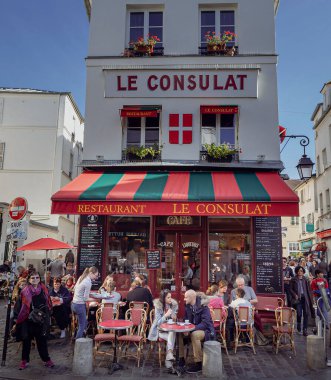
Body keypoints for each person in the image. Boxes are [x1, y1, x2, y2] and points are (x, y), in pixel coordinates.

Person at [12, 271, 54, 370]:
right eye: (33, 278)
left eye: (37, 277)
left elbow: (48, 303)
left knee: (42, 341)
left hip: (41, 320)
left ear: (40, 279)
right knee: (26, 341)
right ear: (29, 280)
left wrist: (47, 315)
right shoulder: (25, 291)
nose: (35, 280)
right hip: (27, 320)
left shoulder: (44, 289)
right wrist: (17, 319)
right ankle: (24, 360)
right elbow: (19, 307)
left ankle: (46, 360)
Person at [179, 289, 215, 373]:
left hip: (206, 331)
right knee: (179, 334)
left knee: (194, 335)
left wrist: (191, 329)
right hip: (192, 329)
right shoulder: (188, 306)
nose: (184, 299)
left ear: (192, 298)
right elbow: (186, 319)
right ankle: (181, 359)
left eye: (186, 297)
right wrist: (185, 327)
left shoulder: (204, 306)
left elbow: (205, 323)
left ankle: (198, 363)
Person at [148, 289, 178, 369]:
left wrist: (174, 318)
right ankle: (169, 358)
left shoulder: (173, 305)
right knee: (171, 336)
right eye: (168, 297)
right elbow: (158, 323)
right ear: (163, 298)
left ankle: (169, 354)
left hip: (169, 330)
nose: (170, 299)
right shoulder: (158, 306)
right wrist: (165, 315)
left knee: (172, 333)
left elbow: (174, 321)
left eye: (170, 297)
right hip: (159, 330)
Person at [71, 266, 99, 339]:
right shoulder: (88, 282)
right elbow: (85, 298)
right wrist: (96, 299)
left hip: (74, 304)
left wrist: (93, 295)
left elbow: (76, 289)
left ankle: (78, 336)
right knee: (82, 325)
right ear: (91, 273)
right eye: (95, 276)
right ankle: (78, 342)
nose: (96, 278)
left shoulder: (82, 277)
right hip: (79, 305)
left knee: (84, 322)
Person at [290, 266, 315, 336]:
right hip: (298, 299)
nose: (300, 272)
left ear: (303, 271)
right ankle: (298, 323)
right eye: (299, 271)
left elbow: (309, 289)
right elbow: (291, 289)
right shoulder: (293, 279)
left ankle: (305, 330)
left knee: (306, 314)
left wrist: (311, 298)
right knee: (299, 313)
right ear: (296, 271)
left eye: (301, 271)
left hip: (305, 298)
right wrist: (295, 295)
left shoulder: (305, 279)